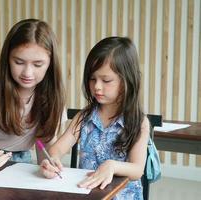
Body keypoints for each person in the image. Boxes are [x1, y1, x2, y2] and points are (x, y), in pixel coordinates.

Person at [40, 37, 150, 199]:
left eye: (106, 80)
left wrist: (112, 166)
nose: (97, 86)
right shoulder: (83, 117)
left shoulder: (138, 122)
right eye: (92, 79)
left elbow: (137, 169)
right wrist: (52, 159)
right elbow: (56, 149)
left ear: (127, 81)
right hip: (87, 194)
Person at [0, 19, 66, 172]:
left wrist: (48, 166)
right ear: (7, 58)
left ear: (50, 64)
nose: (27, 73)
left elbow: (45, 146)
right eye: (19, 62)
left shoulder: (52, 95)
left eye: (37, 64)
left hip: (22, 158)